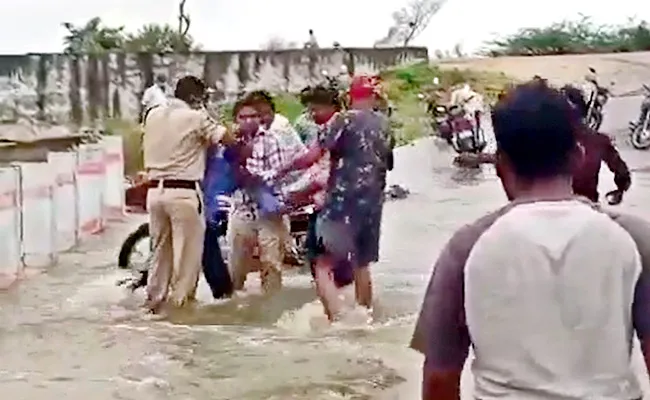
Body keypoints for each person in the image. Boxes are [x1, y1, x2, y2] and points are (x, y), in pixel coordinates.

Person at [411, 81, 650, 400]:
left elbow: (439, 381)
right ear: (578, 156)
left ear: (501, 165)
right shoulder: (635, 238)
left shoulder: (467, 247)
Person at [278, 75, 391, 320]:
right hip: (374, 202)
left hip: (342, 200)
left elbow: (315, 154)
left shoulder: (343, 120)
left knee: (322, 263)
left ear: (350, 96)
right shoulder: (384, 123)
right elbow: (388, 162)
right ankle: (365, 316)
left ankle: (336, 320)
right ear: (373, 96)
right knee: (362, 264)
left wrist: (282, 169)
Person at [142, 75, 236, 313]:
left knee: (159, 255)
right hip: (183, 193)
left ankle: (154, 304)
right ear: (196, 98)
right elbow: (227, 139)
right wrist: (209, 115)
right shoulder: (196, 117)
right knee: (186, 261)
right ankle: (181, 312)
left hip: (155, 193)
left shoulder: (152, 115)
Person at [454, 83, 631, 204]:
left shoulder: (540, 137)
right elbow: (622, 174)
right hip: (588, 212)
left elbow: (511, 157)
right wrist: (619, 192)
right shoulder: (598, 140)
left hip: (532, 214)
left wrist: (480, 158)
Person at [227, 92, 287, 293]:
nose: (248, 121)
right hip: (241, 209)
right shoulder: (230, 143)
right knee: (236, 266)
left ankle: (270, 308)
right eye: (242, 117)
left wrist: (254, 177)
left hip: (268, 211)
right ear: (235, 120)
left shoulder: (271, 140)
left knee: (271, 264)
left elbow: (279, 173)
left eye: (252, 116)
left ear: (260, 118)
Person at [289, 84, 342, 278]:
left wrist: (294, 192)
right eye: (309, 110)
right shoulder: (329, 127)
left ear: (331, 106)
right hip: (329, 202)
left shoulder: (335, 129)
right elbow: (311, 158)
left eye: (315, 109)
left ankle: (332, 303)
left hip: (331, 203)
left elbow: (322, 169)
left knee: (321, 261)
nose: (311, 114)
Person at [250, 90, 306, 263]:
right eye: (258, 115)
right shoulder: (247, 136)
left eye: (267, 114)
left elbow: (287, 165)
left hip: (286, 187)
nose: (264, 119)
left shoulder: (279, 129)